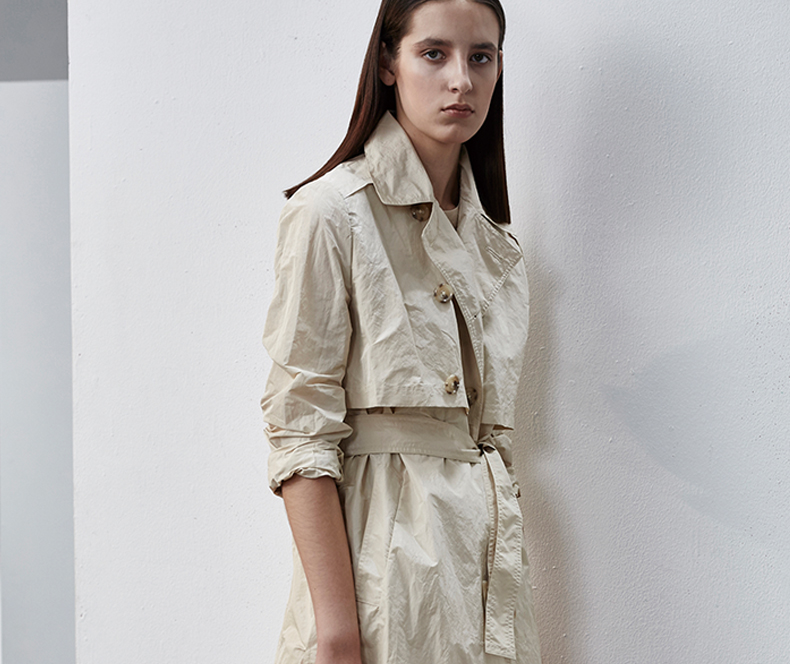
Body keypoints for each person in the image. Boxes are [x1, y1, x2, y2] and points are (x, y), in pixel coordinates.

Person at [261, 0, 541, 662]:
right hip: (382, 579)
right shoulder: (331, 214)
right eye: (433, 53)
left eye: (481, 57)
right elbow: (301, 430)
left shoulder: (499, 250)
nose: (461, 81)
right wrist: (337, 632)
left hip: (489, 577)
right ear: (388, 62)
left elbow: (494, 440)